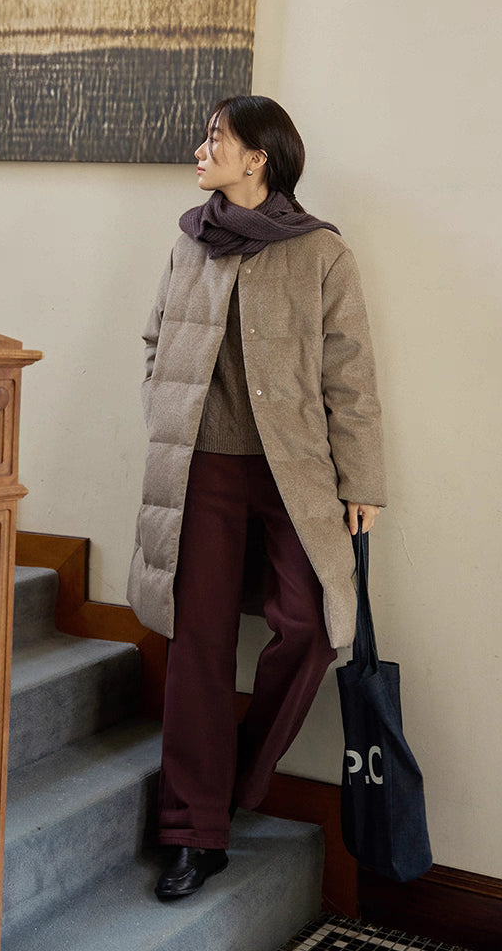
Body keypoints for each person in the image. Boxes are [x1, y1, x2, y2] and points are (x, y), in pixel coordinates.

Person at [127, 95, 386, 901]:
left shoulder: (320, 255)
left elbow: (351, 375)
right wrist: (168, 412)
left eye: (215, 139)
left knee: (310, 627)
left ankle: (232, 779)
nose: (201, 150)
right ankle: (193, 834)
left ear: (258, 159)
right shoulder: (189, 242)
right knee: (196, 639)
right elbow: (154, 339)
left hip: (293, 472)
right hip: (201, 465)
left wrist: (363, 480)